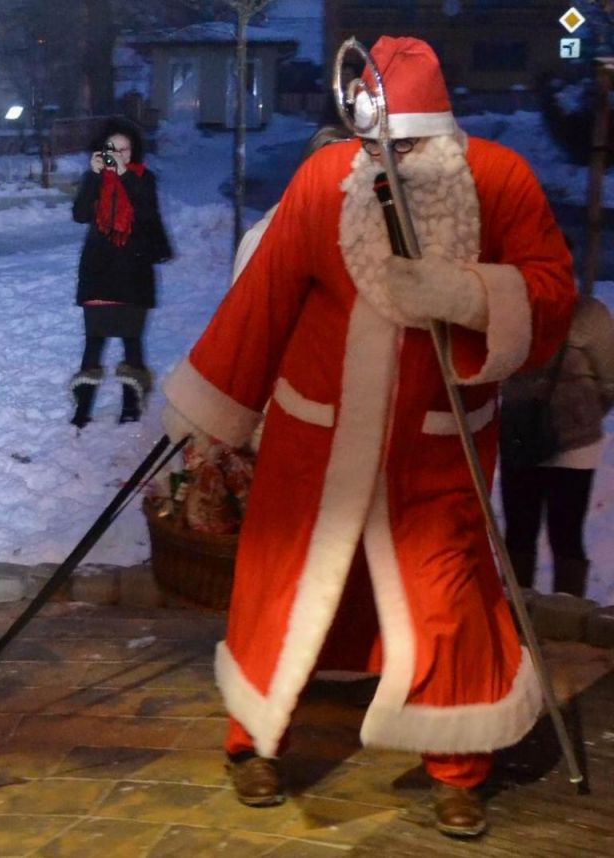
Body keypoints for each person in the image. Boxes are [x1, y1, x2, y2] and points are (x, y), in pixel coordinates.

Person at [159, 37, 575, 838]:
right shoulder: (326, 179)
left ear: (437, 131)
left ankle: (458, 764)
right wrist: (215, 402)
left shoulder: (498, 179)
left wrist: (465, 293)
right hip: (315, 441)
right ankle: (254, 744)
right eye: (380, 144)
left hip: (438, 447)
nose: (390, 160)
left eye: (407, 144)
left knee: (446, 600)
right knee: (281, 589)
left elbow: (552, 289)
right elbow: (266, 293)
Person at [500, 294, 614, 597]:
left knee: (549, 534)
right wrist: (584, 411)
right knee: (535, 535)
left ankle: (544, 610)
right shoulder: (587, 313)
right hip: (529, 437)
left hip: (557, 441)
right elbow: (609, 381)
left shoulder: (511, 310)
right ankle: (525, 608)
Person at [69, 117, 172, 428]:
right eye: (112, 149)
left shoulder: (143, 178)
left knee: (131, 340)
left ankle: (131, 406)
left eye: (124, 150)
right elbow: (80, 214)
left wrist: (124, 174)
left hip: (133, 272)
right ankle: (82, 410)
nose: (118, 156)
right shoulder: (96, 178)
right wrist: (93, 176)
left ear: (134, 151)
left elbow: (146, 212)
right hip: (99, 272)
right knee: (94, 340)